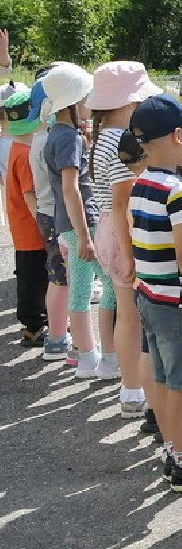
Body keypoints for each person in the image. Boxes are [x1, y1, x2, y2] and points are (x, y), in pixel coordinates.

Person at [126, 92, 182, 493]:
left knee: (163, 378)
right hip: (177, 304)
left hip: (148, 294)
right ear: (178, 136)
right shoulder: (178, 192)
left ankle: (172, 446)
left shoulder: (142, 182)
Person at [87, 61, 163, 415]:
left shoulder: (100, 135)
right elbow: (122, 204)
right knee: (133, 316)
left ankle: (129, 387)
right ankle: (134, 389)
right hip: (122, 232)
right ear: (128, 104)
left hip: (106, 229)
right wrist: (132, 254)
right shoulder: (122, 141)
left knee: (125, 311)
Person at [39, 63, 112, 381]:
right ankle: (109, 357)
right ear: (71, 104)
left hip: (66, 224)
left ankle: (87, 358)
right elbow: (71, 189)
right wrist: (85, 236)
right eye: (85, 98)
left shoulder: (56, 133)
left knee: (80, 292)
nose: (89, 105)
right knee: (110, 286)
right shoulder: (69, 138)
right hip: (82, 224)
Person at [27, 69, 73, 361]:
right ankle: (57, 338)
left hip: (45, 212)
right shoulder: (51, 141)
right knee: (62, 279)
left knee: (57, 276)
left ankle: (58, 333)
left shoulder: (38, 138)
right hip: (56, 214)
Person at [5, 90, 49, 346]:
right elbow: (30, 194)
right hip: (31, 228)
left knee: (29, 274)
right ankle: (33, 326)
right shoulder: (25, 155)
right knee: (33, 279)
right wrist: (42, 223)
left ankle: (36, 321)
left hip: (21, 225)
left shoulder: (16, 147)